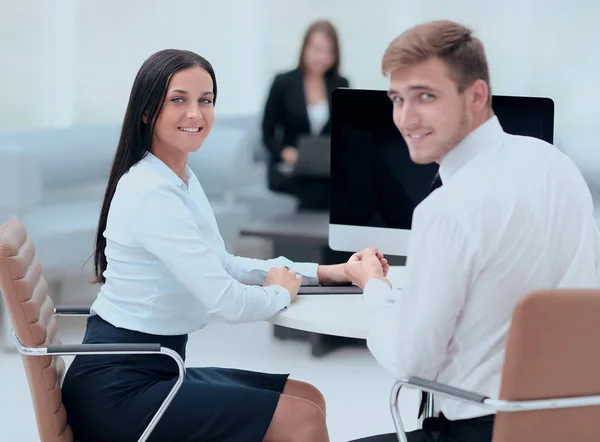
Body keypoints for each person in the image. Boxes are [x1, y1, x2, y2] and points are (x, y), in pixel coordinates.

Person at [60, 49, 359, 442]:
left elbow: (224, 263)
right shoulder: (151, 193)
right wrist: (278, 294)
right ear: (148, 111)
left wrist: (323, 273)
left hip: (158, 366)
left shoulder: (179, 177)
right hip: (119, 389)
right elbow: (228, 301)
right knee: (299, 419)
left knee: (309, 399)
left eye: (206, 100)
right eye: (179, 100)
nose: (196, 114)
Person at [345, 20, 600, 442]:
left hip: (482, 430)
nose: (406, 118)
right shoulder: (555, 163)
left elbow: (413, 365)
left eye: (425, 96)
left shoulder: (446, 209)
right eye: (396, 99)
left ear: (477, 95)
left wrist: (374, 287)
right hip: (575, 424)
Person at [262, 20, 349, 211]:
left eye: (330, 52)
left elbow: (345, 132)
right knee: (317, 189)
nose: (323, 57)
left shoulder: (340, 83)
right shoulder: (283, 83)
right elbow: (267, 133)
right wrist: (285, 153)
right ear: (305, 48)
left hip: (326, 168)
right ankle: (322, 240)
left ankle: (321, 239)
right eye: (318, 49)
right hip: (290, 166)